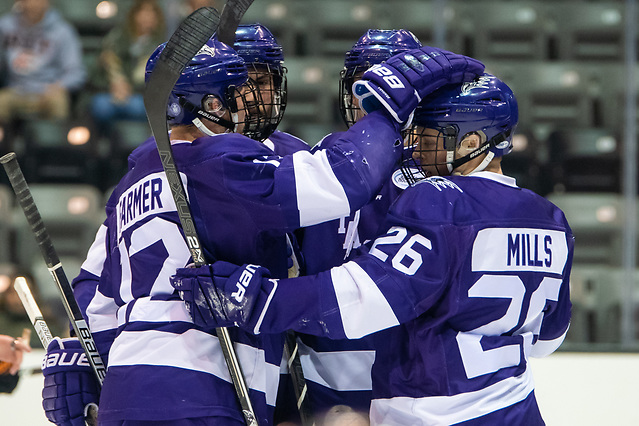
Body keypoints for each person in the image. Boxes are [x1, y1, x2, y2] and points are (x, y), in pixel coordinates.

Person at [41, 34, 482, 426]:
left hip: (126, 384)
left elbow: (99, 295)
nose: (246, 101)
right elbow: (342, 179)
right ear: (211, 104)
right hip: (207, 385)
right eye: (236, 92)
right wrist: (387, 109)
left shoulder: (135, 177)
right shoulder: (225, 162)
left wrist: (84, 362)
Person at [171, 73, 574, 425]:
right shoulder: (551, 219)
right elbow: (547, 339)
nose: (416, 147)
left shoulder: (439, 200)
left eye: (431, 134)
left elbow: (361, 297)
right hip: (519, 408)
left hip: (436, 412)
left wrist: (258, 300)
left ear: (471, 141)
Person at [295, 28, 423, 423]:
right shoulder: (319, 162)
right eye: (361, 86)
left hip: (409, 378)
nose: (367, 102)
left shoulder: (436, 177)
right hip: (323, 377)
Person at [0, 0, 85, 135]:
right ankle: (5, 151)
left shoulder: (62, 31)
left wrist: (59, 86)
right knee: (1, 101)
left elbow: (76, 72)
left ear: (46, 3)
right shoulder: (5, 26)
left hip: (47, 90)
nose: (32, 5)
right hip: (15, 89)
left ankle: (56, 150)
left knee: (58, 101)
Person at [88, 0, 166, 137]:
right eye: (143, 12)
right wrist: (114, 84)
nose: (147, 17)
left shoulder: (162, 47)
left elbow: (160, 84)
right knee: (100, 106)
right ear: (133, 15)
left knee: (141, 108)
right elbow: (95, 75)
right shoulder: (114, 39)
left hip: (140, 97)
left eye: (151, 13)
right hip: (110, 93)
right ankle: (104, 145)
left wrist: (130, 88)